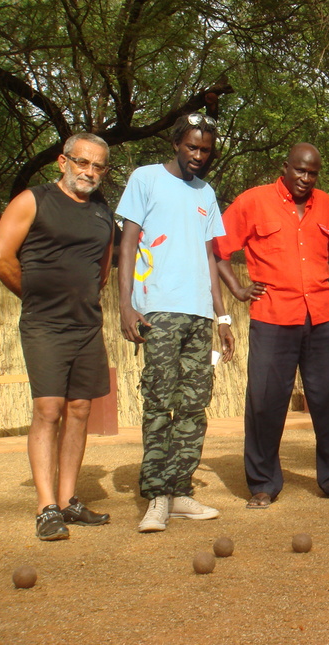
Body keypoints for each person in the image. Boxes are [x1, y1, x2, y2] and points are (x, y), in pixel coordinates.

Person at [213, 143, 329, 506]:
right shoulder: (253, 201)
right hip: (273, 315)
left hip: (321, 315)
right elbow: (217, 249)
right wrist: (238, 289)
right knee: (265, 400)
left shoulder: (326, 204)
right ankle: (263, 484)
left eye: (313, 173)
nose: (306, 179)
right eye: (300, 171)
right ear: (285, 167)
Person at [0, 133, 114, 541]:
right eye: (82, 162)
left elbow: (103, 270)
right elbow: (0, 256)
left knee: (79, 409)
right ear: (63, 161)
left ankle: (68, 501)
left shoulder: (101, 211)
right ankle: (45, 507)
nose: (89, 172)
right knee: (48, 409)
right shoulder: (33, 200)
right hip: (44, 324)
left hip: (86, 324)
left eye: (98, 166)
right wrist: (34, 296)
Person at [117, 113, 235, 532]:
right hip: (159, 309)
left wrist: (222, 316)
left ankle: (181, 489)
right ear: (175, 144)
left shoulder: (207, 192)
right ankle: (156, 497)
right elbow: (127, 242)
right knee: (158, 399)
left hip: (199, 312)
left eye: (205, 150)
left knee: (193, 402)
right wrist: (126, 305)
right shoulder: (145, 179)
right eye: (192, 147)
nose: (198, 156)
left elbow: (211, 256)